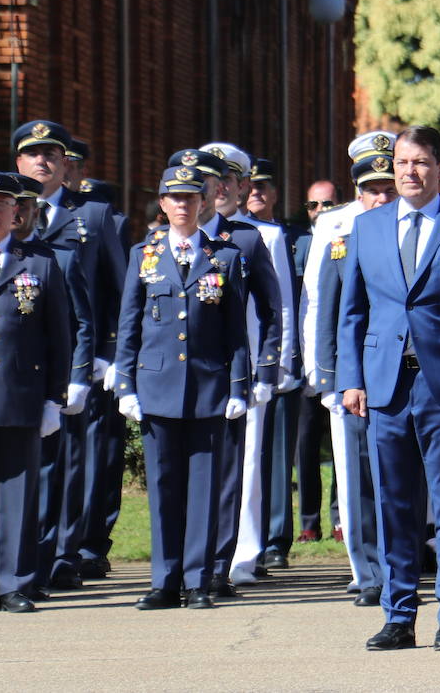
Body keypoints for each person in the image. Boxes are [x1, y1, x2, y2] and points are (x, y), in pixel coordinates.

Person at [336, 125, 440, 652]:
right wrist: (351, 379)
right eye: (403, 163)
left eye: (422, 163)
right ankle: (398, 613)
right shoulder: (367, 228)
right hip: (385, 385)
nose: (410, 172)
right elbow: (352, 313)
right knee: (393, 503)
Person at [112, 166, 250, 610]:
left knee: (204, 491)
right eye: (175, 198)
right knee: (164, 487)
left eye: (191, 198)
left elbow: (236, 333)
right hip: (156, 386)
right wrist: (125, 384)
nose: (183, 205)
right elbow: (129, 324)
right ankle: (164, 580)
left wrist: (238, 386)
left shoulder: (223, 257)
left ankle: (198, 581)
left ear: (204, 202)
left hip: (208, 387)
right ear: (163, 203)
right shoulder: (144, 256)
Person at [163, 148, 281, 597]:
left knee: (227, 474)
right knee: (180, 476)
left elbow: (271, 309)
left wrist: (266, 369)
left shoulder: (245, 239)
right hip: (177, 376)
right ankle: (179, 569)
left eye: (215, 182)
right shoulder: (163, 241)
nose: (210, 190)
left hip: (230, 375)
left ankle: (216, 565)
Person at [13, 120, 127, 583]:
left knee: (74, 462)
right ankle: (25, 556)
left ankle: (66, 553)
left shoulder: (95, 216)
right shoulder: (7, 213)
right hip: (22, 362)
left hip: (80, 362)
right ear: (18, 163)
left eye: (52, 154)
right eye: (33, 154)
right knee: (25, 464)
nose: (43, 161)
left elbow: (118, 293)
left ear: (66, 165)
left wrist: (107, 355)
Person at [297, 133, 394, 580]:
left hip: (398, 365)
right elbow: (319, 300)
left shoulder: (409, 221)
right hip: (350, 370)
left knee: (397, 471)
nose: (380, 196)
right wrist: (324, 374)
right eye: (372, 188)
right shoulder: (334, 225)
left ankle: (400, 563)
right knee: (354, 475)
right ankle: (366, 569)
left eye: (387, 187)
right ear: (357, 189)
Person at [200, 142, 295, 581]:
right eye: (209, 179)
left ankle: (244, 552)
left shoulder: (265, 236)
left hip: (249, 364)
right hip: (199, 365)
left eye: (228, 179)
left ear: (241, 185)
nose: (218, 188)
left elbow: (280, 308)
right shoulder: (189, 234)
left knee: (250, 463)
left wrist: (275, 367)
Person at [0, 171, 71, 613]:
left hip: (22, 395)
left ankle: (14, 583)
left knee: (18, 494)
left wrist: (54, 398)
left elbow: (59, 336)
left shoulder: (38, 262)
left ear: (17, 210)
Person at [10, 174, 95, 599]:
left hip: (42, 389)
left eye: (27, 205)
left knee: (43, 483)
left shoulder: (57, 258)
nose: (20, 212)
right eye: (15, 204)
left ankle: (38, 569)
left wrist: (74, 382)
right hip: (3, 391)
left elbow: (78, 325)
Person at [244, 157, 305, 568]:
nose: (256, 194)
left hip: (278, 359)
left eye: (263, 187)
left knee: (278, 455)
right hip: (242, 361)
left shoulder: (289, 237)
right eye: (250, 186)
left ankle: (277, 537)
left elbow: (288, 303)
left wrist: (285, 361)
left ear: (275, 193)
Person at [295, 179, 341, 544]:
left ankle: (341, 517)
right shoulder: (297, 242)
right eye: (313, 205)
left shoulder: (345, 237)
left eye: (327, 203)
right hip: (303, 358)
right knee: (306, 446)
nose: (320, 211)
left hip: (340, 357)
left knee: (342, 446)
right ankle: (309, 520)